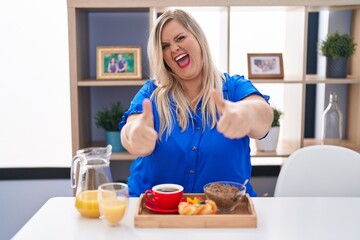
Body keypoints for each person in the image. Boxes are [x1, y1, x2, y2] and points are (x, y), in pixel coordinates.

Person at [119, 9, 273, 197]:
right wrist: (134, 135)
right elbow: (131, 128)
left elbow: (263, 118)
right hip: (154, 210)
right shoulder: (152, 92)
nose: (174, 48)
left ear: (198, 38)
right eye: (165, 46)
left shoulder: (233, 88)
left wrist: (246, 115)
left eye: (180, 38)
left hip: (226, 211)